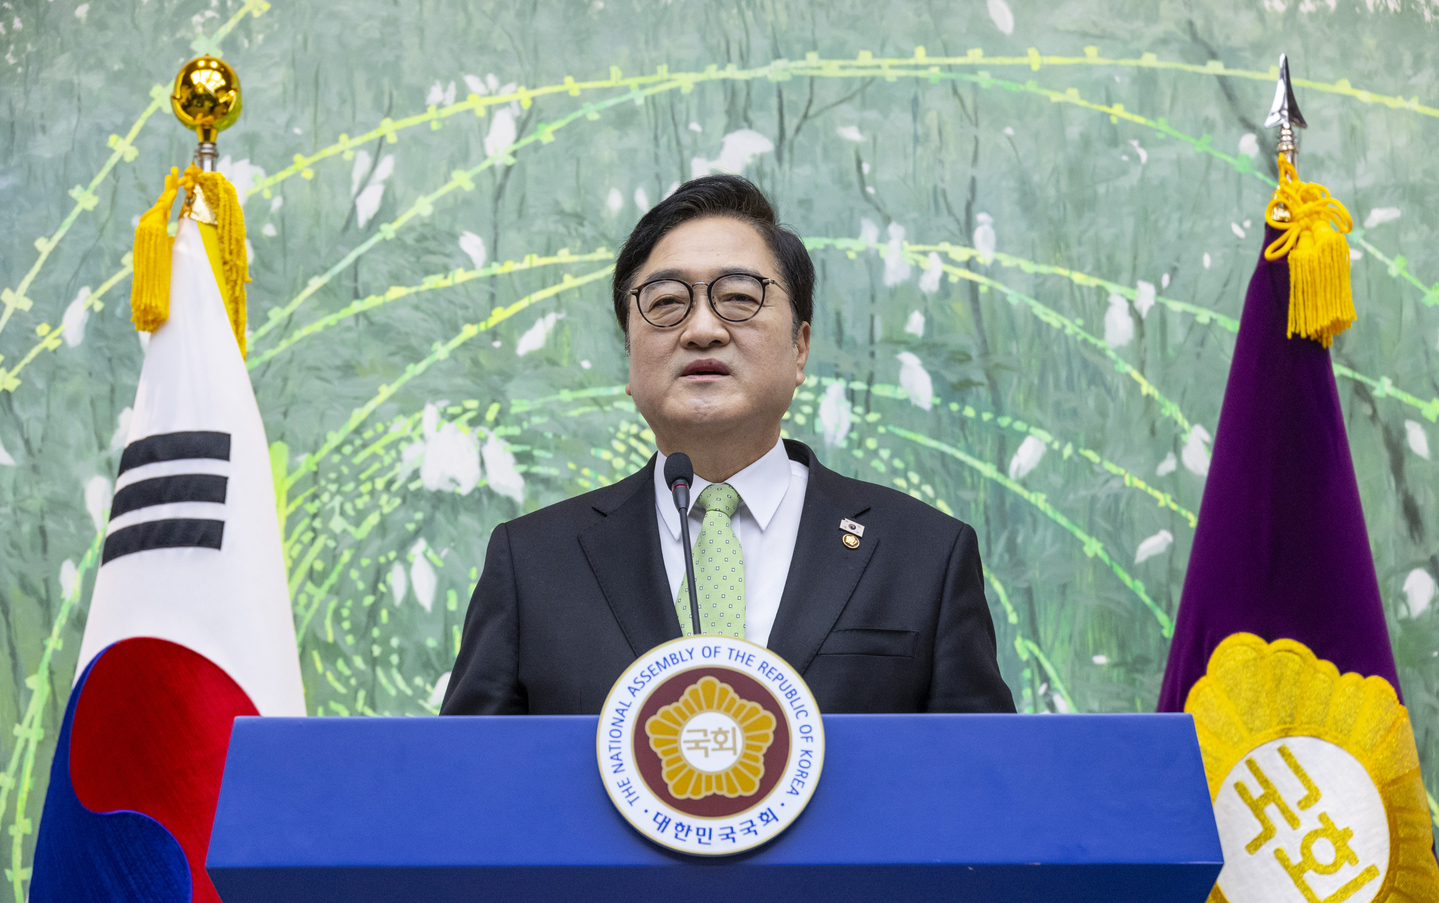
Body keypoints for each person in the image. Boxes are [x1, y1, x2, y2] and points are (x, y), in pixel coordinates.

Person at [441, 175, 1014, 716]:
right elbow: (470, 784)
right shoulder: (534, 563)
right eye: (666, 303)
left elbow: (985, 783)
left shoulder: (923, 555)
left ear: (799, 349)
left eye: (739, 297)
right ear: (630, 361)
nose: (702, 329)